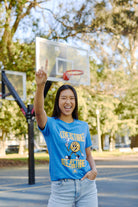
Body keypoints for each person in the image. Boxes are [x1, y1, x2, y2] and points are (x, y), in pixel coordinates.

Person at [34, 60, 98, 207]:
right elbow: (38, 112)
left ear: (75, 102)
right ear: (58, 102)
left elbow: (88, 155)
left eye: (71, 98)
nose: (68, 101)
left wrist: (94, 170)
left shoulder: (83, 126)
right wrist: (40, 86)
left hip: (87, 186)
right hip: (62, 190)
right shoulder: (51, 124)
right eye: (63, 98)